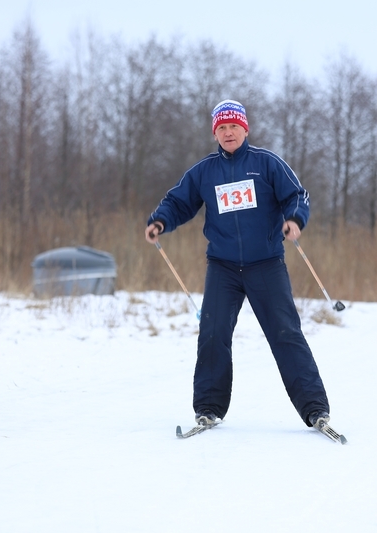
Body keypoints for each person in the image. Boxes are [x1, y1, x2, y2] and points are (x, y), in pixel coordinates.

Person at [145, 99, 331, 430]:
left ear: (245, 129)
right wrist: (160, 221)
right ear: (215, 133)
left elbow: (296, 196)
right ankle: (208, 409)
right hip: (223, 267)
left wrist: (294, 219)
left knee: (286, 333)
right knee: (213, 334)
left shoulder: (267, 163)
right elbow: (179, 202)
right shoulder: (204, 171)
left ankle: (315, 409)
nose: (228, 132)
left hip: (266, 264)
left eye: (234, 126)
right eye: (222, 128)